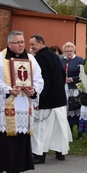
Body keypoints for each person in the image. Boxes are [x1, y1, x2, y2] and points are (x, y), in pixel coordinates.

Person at [0, 31, 43, 173]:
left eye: (23, 42)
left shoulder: (31, 59)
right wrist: (8, 90)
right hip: (5, 105)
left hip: (23, 105)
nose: (21, 45)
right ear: (9, 44)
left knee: (20, 139)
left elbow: (39, 79)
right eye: (18, 42)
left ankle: (16, 169)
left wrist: (33, 90)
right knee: (2, 139)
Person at [29, 34, 71, 163]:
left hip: (47, 99)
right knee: (59, 128)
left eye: (33, 45)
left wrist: (38, 99)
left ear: (41, 43)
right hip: (59, 98)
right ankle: (61, 152)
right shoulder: (54, 55)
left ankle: (39, 154)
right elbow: (63, 74)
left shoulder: (40, 57)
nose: (31, 48)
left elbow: (43, 80)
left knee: (41, 128)